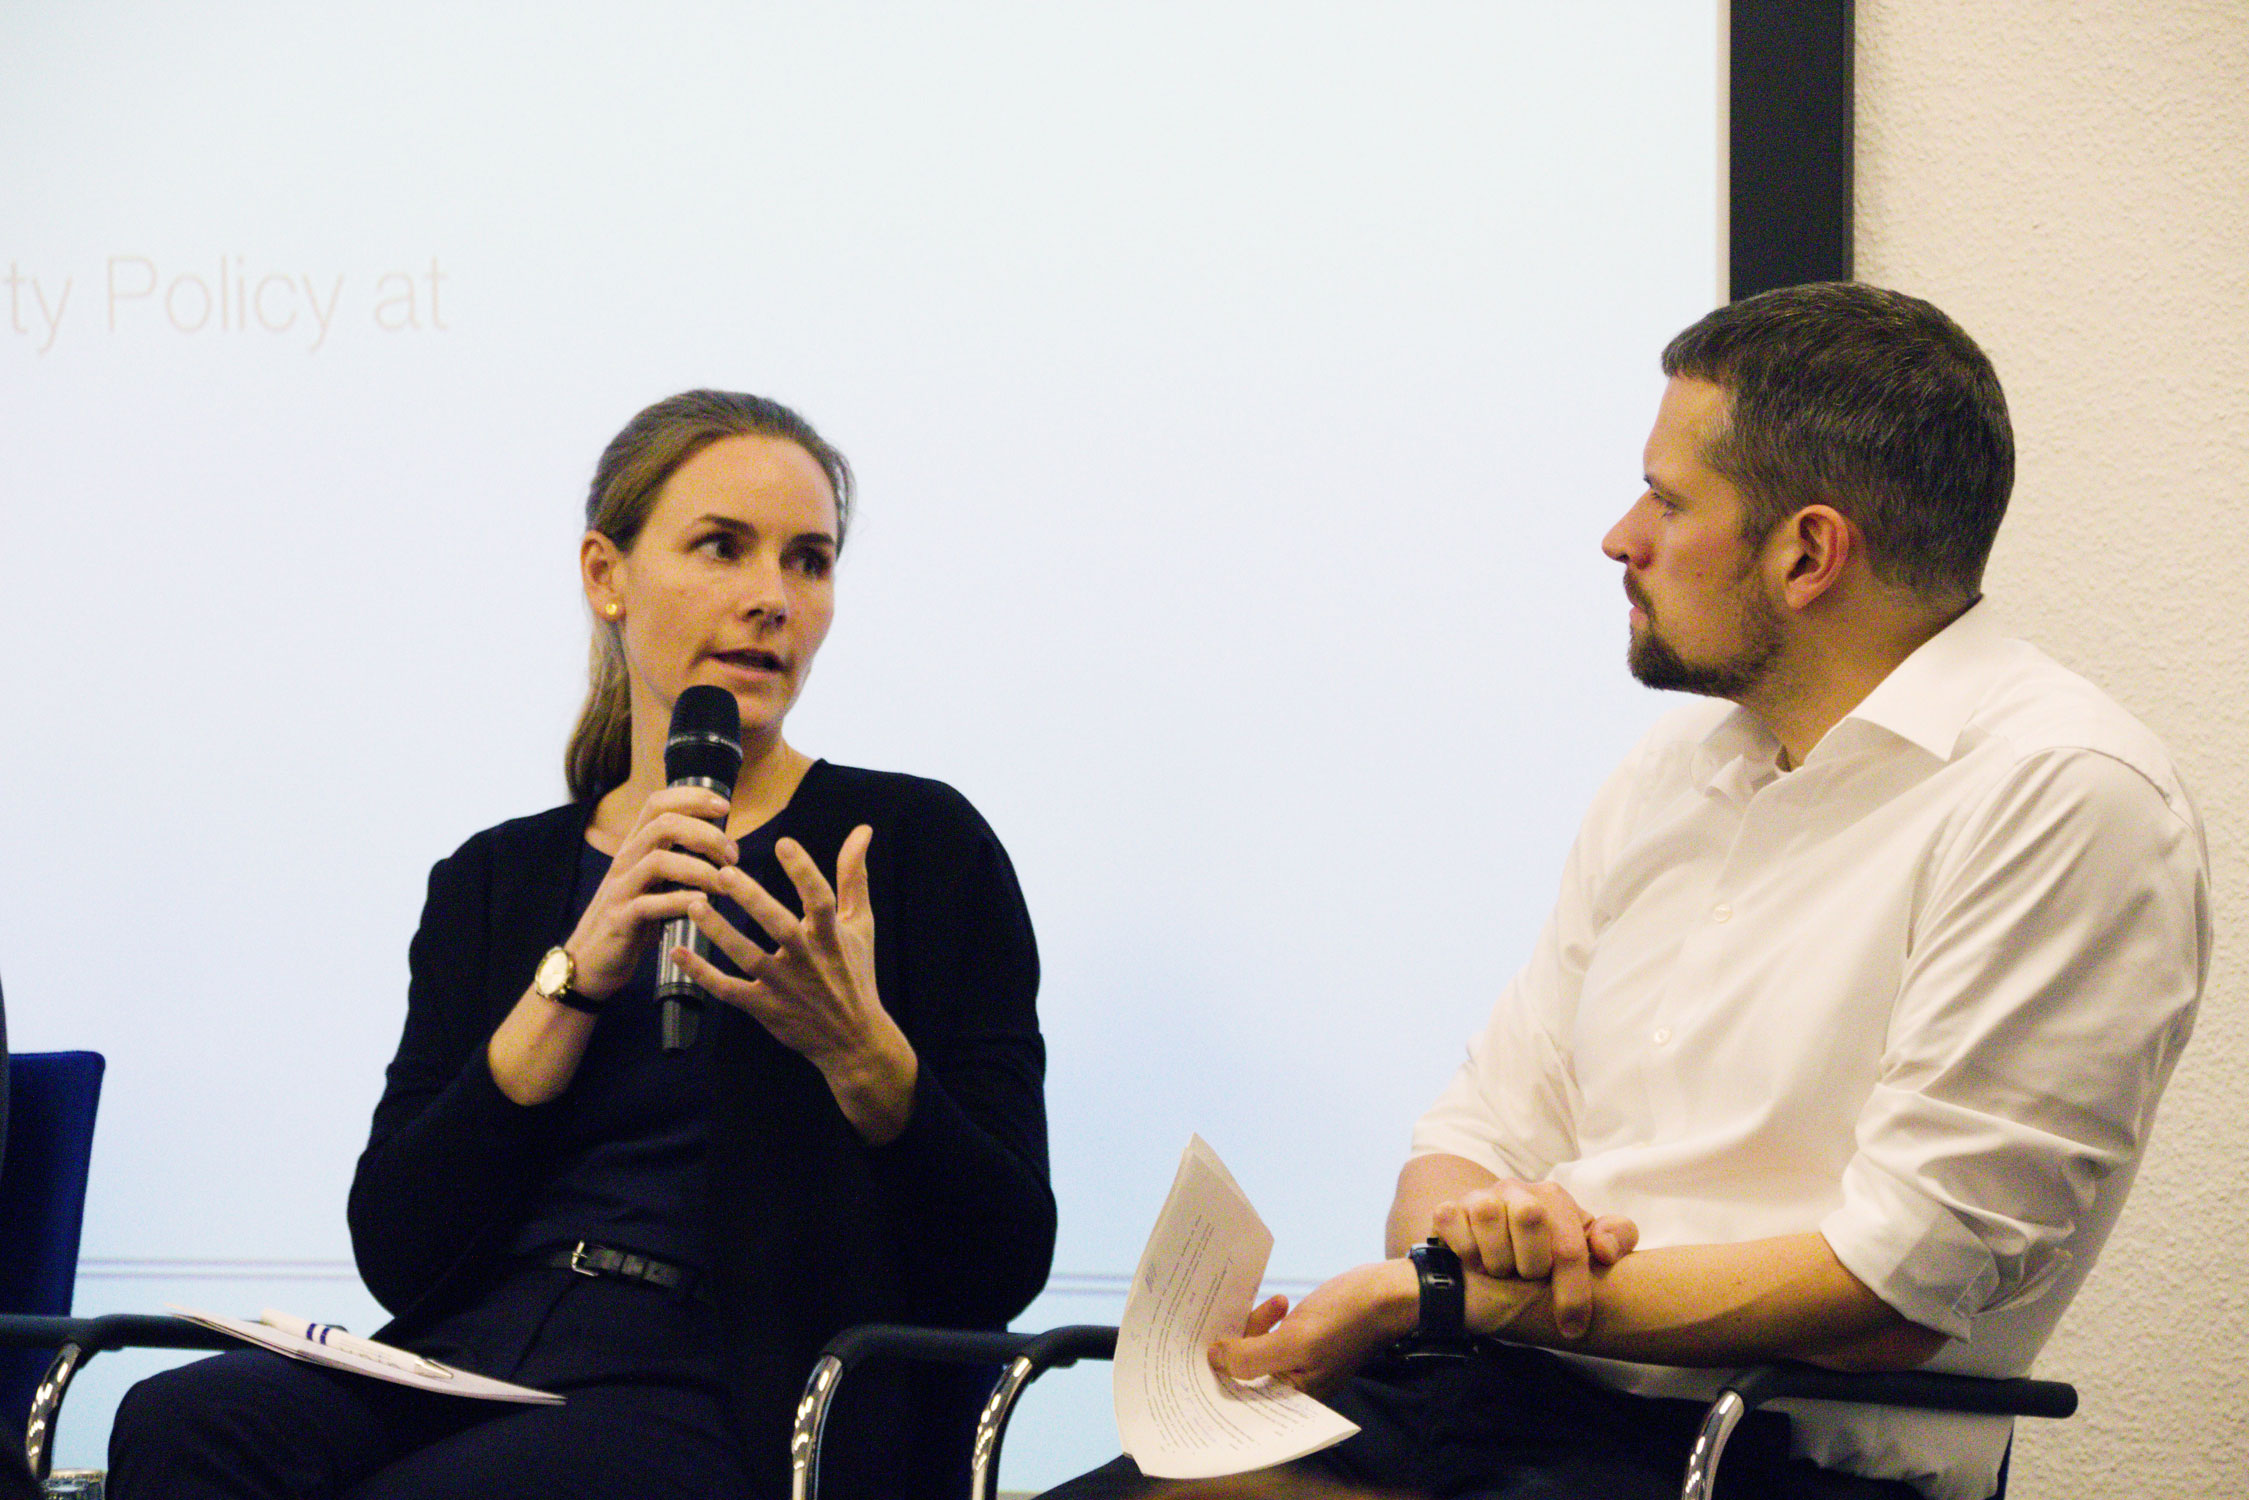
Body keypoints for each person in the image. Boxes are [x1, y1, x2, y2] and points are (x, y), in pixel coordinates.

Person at [1045, 284, 2208, 1500]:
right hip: (1488, 1399)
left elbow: (1889, 1293)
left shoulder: (2065, 793)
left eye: (1667, 500)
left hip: (1751, 1456)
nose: (1618, 538)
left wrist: (1442, 1293)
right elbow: (1469, 1141)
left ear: (1807, 553)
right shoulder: (1677, 767)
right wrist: (1479, 1239)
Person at [110, 391, 1055, 1499]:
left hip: (730, 1387)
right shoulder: (495, 879)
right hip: (482, 1347)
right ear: (606, 575)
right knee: (178, 1423)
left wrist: (861, 1054)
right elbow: (399, 1251)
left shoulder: (911, 846)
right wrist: (567, 980)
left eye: (808, 561)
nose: (772, 598)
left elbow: (1002, 1257)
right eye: (722, 547)